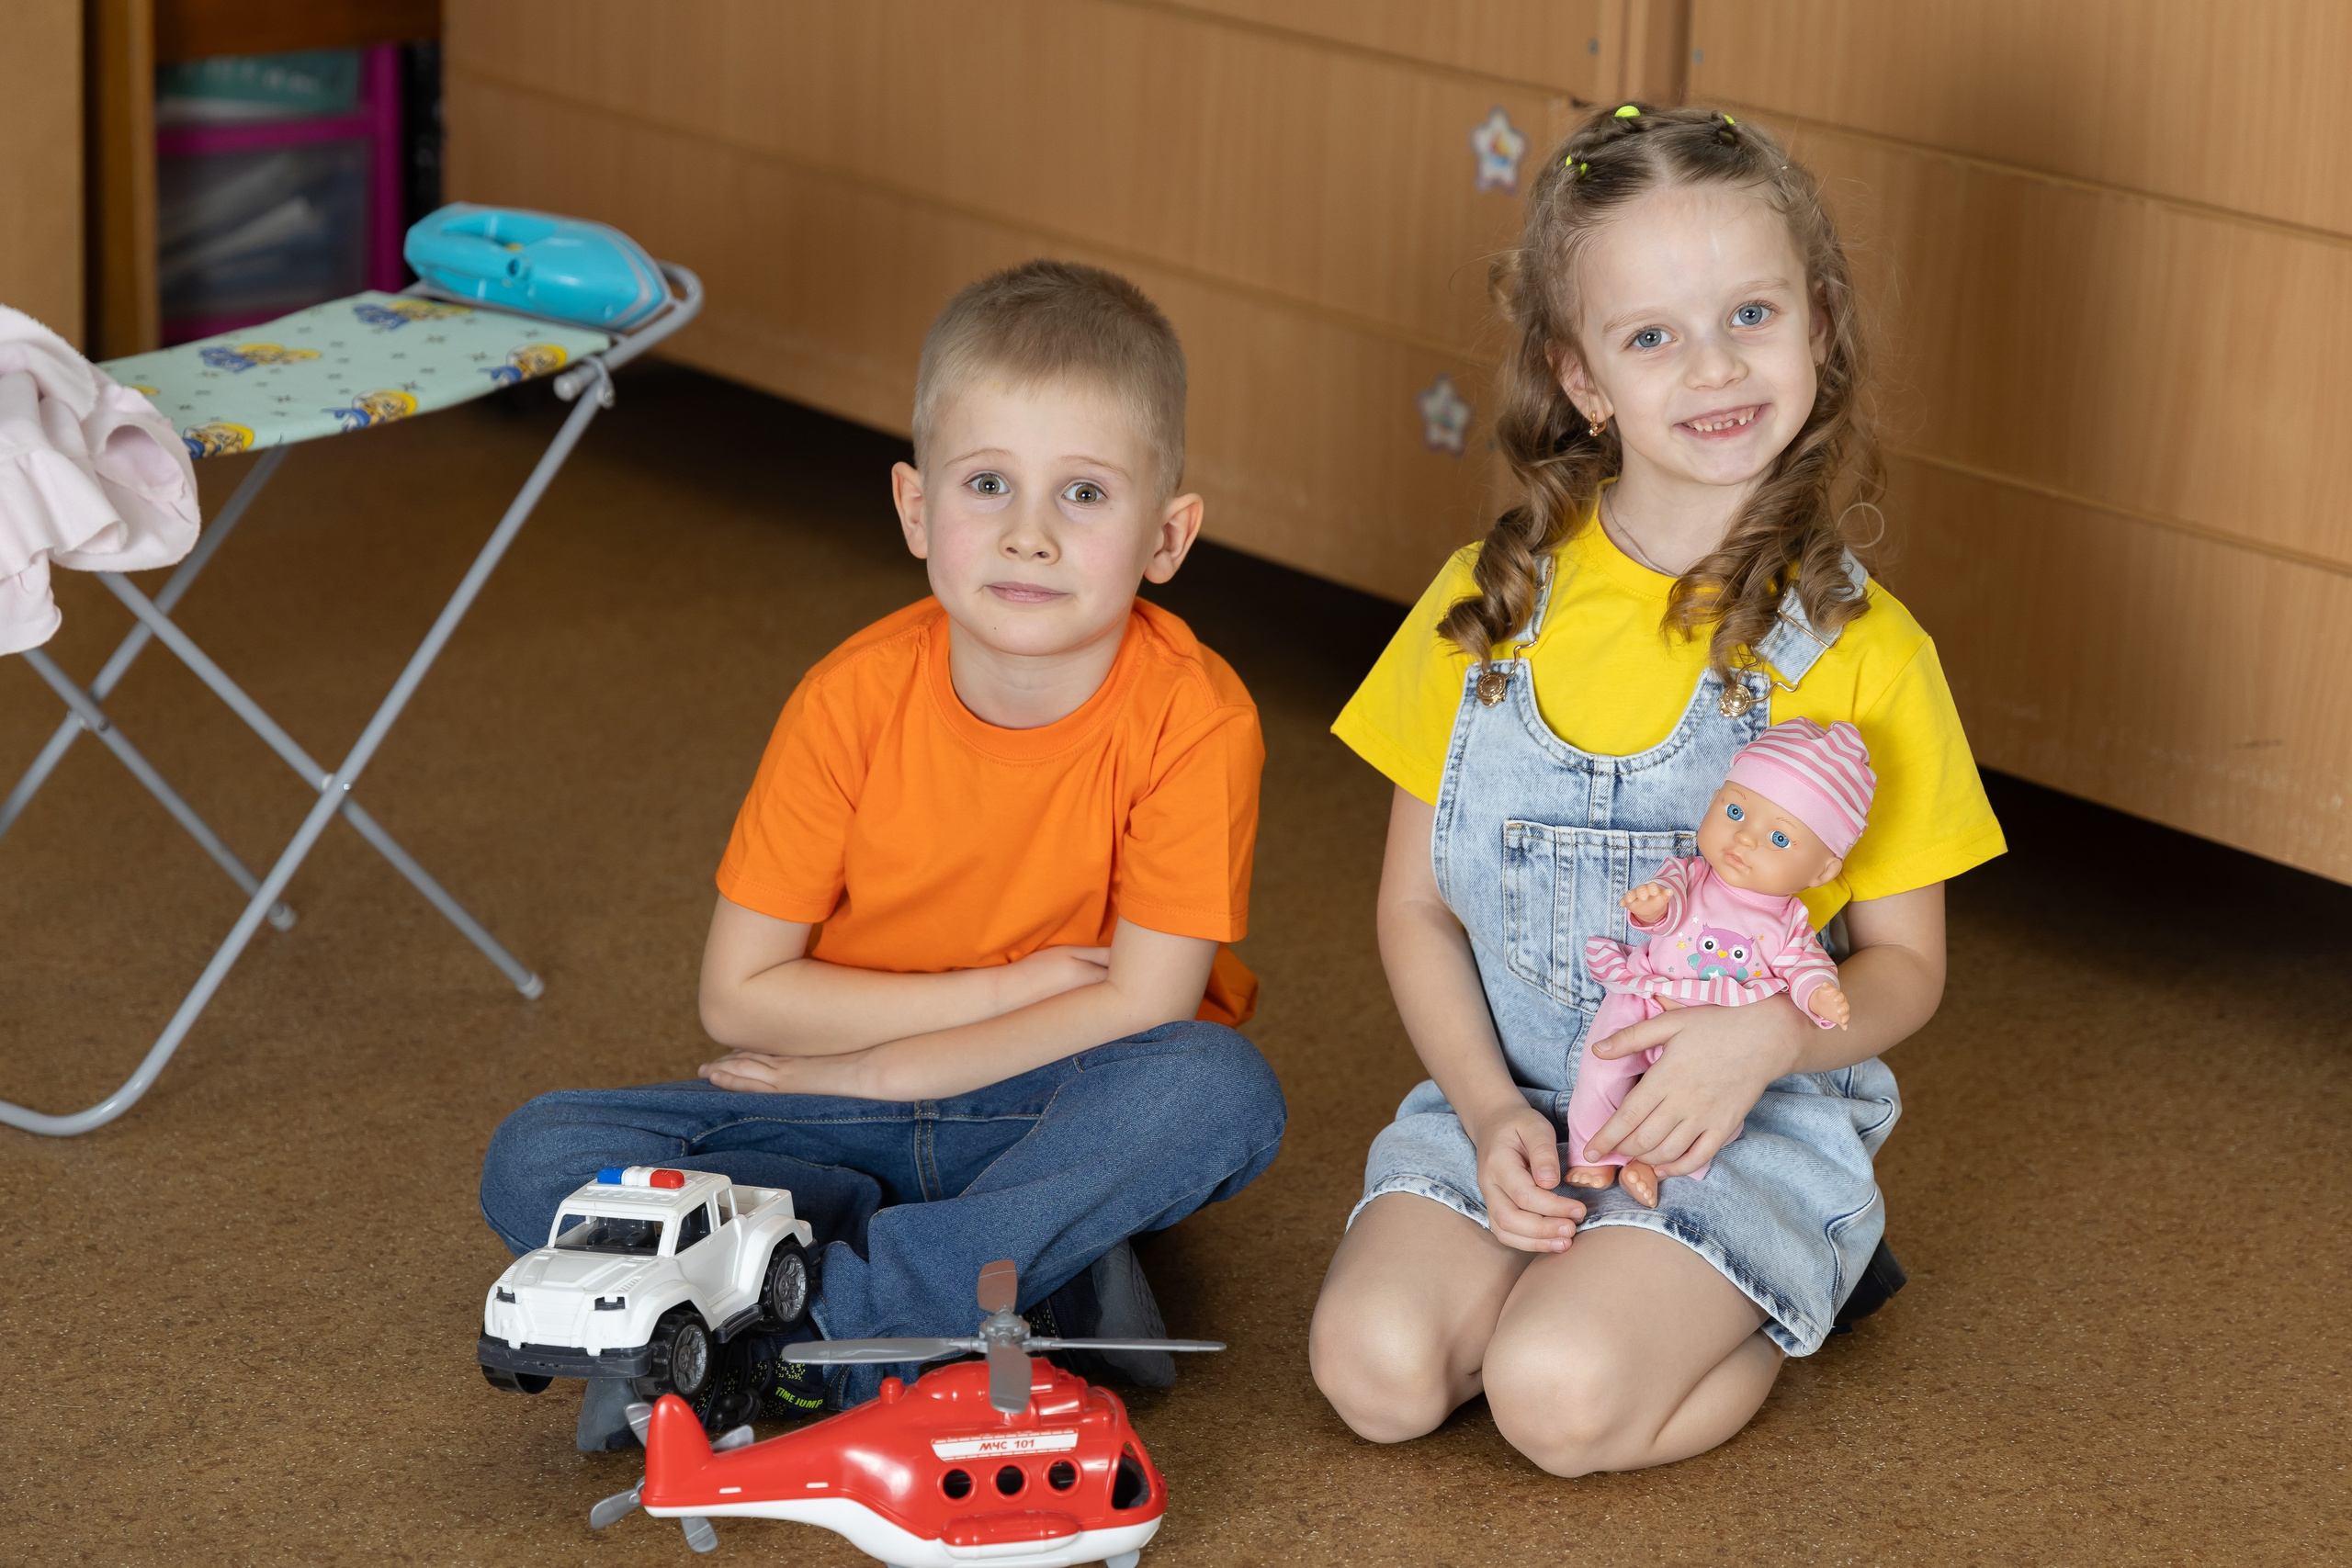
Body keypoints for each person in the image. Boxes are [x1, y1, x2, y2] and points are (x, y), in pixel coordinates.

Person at [480, 259, 1285, 1449]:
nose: (1028, 535)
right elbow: (737, 995)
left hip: (1037, 1107)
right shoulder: (846, 699)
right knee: (535, 1151)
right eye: (988, 484)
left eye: (1083, 494)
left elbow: (1147, 1008)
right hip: (827, 1119)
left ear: (1165, 538)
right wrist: (981, 1008)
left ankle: (818, 1321)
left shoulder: (1196, 718)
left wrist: (886, 1070)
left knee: (1216, 1090)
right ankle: (1003, 1281)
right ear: (915, 509)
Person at [1308, 103, 2005, 1476]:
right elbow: (1416, 911)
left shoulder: (1865, 650)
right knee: (1375, 1375)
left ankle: (1787, 1282)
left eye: (1751, 313)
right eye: (1651, 337)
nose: (1715, 366)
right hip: (1514, 1094)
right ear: (1579, 377)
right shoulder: (1487, 606)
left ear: (1818, 323)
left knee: (1553, 1400)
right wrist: (1491, 1113)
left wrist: (1765, 1042)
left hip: (1739, 1122)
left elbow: (1908, 971)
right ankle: (1601, 1278)